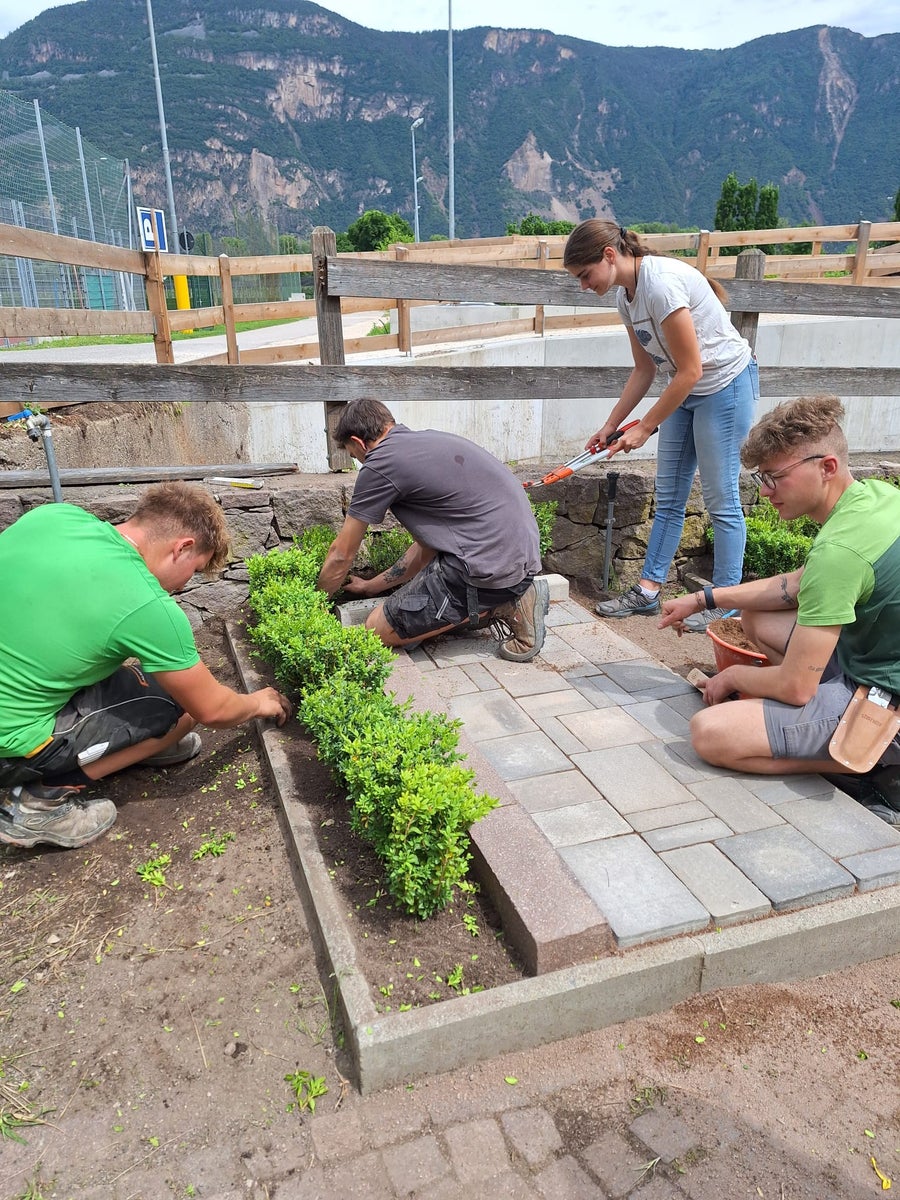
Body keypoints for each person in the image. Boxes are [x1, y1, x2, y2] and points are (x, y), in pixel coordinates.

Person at [0, 482, 293, 851]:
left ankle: (136, 744)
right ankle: (37, 802)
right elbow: (213, 709)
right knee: (183, 708)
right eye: (195, 569)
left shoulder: (55, 517)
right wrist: (258, 702)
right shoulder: (147, 604)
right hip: (10, 747)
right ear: (182, 548)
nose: (184, 585)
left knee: (148, 679)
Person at [659, 394, 900, 824]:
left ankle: (870, 759)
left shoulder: (840, 552)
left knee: (710, 733)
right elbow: (797, 585)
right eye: (761, 477)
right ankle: (824, 727)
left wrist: (733, 676)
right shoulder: (875, 498)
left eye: (775, 477)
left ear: (827, 467)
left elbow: (795, 687)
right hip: (874, 659)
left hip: (884, 695)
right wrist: (703, 599)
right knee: (756, 618)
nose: (765, 491)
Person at [563, 219, 759, 631]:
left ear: (610, 255)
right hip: (684, 390)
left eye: (585, 274)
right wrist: (612, 425)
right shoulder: (626, 298)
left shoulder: (661, 285)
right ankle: (648, 591)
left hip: (724, 385)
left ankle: (726, 603)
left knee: (721, 500)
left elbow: (692, 369)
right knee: (669, 496)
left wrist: (645, 427)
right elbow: (645, 369)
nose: (583, 285)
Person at [316, 397, 549, 662]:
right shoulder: (426, 441)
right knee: (406, 618)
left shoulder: (380, 463)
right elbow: (426, 548)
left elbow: (341, 554)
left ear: (358, 442)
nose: (359, 461)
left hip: (487, 569)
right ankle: (503, 595)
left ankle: (504, 604)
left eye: (353, 455)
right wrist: (372, 586)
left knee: (376, 629)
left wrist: (315, 605)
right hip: (516, 558)